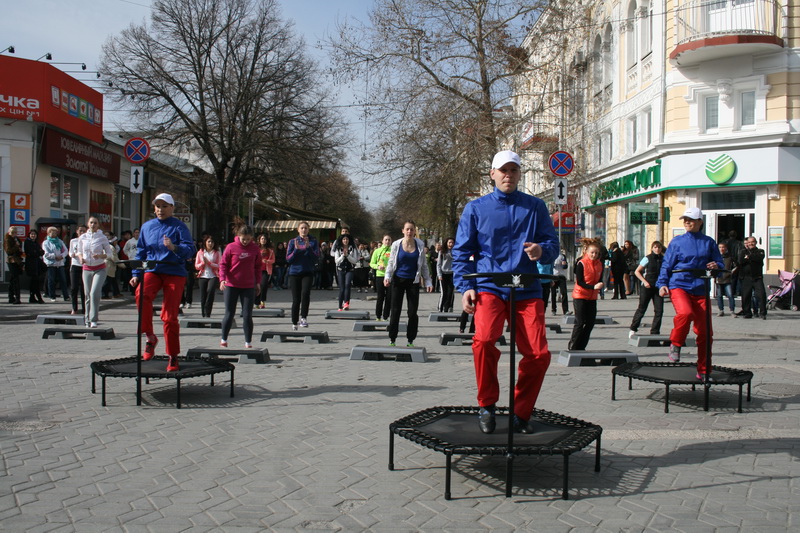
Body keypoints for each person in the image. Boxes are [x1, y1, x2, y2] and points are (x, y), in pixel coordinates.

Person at [452, 150, 559, 435]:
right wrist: (466, 288)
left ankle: (521, 411)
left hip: (526, 288)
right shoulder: (476, 208)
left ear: (519, 174)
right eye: (503, 170)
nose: (508, 175)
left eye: (513, 170)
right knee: (484, 340)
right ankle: (487, 405)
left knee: (539, 354)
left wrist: (542, 251)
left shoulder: (535, 207)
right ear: (492, 174)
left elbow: (552, 243)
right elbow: (462, 252)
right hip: (490, 287)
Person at [656, 207, 723, 381]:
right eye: (685, 219)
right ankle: (676, 343)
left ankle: (703, 370)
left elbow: (720, 263)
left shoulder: (709, 242)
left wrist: (717, 266)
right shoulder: (677, 242)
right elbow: (667, 264)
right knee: (685, 313)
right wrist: (662, 283)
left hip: (701, 288)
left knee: (705, 333)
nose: (687, 222)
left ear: (700, 222)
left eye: (691, 219)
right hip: (680, 285)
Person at [130, 193, 195, 372]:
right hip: (153, 269)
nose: (160, 209)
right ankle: (150, 337)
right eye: (157, 206)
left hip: (174, 271)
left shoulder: (179, 227)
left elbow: (190, 250)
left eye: (164, 206)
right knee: (141, 294)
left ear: (172, 208)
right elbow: (141, 251)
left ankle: (173, 356)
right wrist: (136, 273)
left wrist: (174, 247)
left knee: (169, 315)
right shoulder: (147, 226)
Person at [384, 220, 433, 347]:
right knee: (395, 310)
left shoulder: (420, 245)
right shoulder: (396, 244)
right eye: (407, 229)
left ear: (414, 232)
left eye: (412, 230)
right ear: (403, 231)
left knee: (412, 312)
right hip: (398, 280)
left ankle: (410, 339)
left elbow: (424, 265)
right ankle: (392, 338)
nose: (409, 232)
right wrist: (387, 276)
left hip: (413, 281)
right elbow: (391, 262)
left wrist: (428, 281)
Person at [219, 225, 261, 348]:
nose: (245, 241)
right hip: (231, 284)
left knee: (247, 314)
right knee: (229, 313)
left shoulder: (255, 248)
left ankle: (248, 342)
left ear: (251, 238)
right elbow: (223, 265)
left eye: (248, 239)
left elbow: (258, 267)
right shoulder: (231, 247)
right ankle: (224, 339)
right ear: (238, 236)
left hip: (248, 285)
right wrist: (222, 280)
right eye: (243, 239)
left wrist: (258, 282)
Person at [568, 239, 604, 350]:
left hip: (592, 297)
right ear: (587, 252)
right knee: (580, 322)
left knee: (590, 323)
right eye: (592, 252)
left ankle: (581, 347)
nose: (594, 255)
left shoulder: (599, 265)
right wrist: (593, 287)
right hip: (580, 295)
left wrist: (600, 284)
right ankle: (573, 346)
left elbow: (600, 279)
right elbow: (580, 282)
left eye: (596, 253)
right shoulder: (581, 263)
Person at [77, 217, 113, 328]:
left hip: (100, 268)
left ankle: (94, 320)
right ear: (88, 224)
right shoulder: (83, 237)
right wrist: (81, 258)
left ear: (98, 225)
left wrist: (100, 256)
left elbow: (109, 253)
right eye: (91, 222)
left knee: (94, 293)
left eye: (95, 223)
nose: (93, 224)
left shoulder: (102, 237)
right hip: (86, 268)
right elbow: (78, 251)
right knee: (87, 294)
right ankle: (87, 319)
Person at [286, 221, 319, 330]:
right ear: (298, 230)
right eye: (302, 228)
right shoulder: (292, 242)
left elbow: (315, 258)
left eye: (305, 228)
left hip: (307, 272)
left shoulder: (313, 242)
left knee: (305, 294)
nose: (304, 230)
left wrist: (308, 248)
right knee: (296, 299)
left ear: (308, 229)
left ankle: (303, 318)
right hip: (294, 273)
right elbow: (289, 259)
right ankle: (294, 321)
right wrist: (296, 250)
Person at [628, 241, 665, 338]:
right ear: (652, 248)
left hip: (658, 287)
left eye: (659, 247)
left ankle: (655, 331)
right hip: (647, 286)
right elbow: (637, 272)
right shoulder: (648, 258)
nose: (657, 249)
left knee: (659, 310)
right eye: (655, 247)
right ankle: (633, 328)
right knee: (642, 308)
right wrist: (645, 282)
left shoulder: (663, 259)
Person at [736, 236, 767, 320]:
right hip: (746, 278)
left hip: (757, 277)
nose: (750, 243)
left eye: (752, 242)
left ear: (756, 242)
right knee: (746, 296)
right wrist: (749, 258)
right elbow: (740, 261)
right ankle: (747, 313)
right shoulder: (743, 252)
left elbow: (759, 258)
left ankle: (763, 313)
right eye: (749, 242)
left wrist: (748, 257)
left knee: (761, 295)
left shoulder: (760, 251)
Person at [195, 235, 221, 318]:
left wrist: (209, 263)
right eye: (209, 241)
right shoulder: (200, 252)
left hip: (213, 276)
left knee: (210, 291)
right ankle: (203, 314)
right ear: (205, 243)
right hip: (203, 275)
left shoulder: (217, 253)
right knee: (203, 296)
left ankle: (208, 313)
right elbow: (196, 266)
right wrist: (203, 263)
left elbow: (219, 265)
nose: (210, 243)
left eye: (212, 242)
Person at [42, 226, 70, 302]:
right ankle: (52, 296)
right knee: (51, 280)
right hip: (51, 264)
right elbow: (46, 253)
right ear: (48, 233)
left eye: (55, 232)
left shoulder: (60, 241)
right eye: (52, 232)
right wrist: (55, 256)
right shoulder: (46, 243)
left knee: (63, 280)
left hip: (60, 263)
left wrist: (62, 256)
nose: (54, 234)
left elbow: (66, 250)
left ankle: (66, 296)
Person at [370, 234, 393, 321]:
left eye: (389, 240)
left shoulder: (393, 251)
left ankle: (386, 316)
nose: (387, 241)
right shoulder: (377, 251)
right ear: (382, 241)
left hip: (390, 276)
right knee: (380, 296)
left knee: (389, 297)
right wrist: (378, 266)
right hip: (380, 276)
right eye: (386, 240)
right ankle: (378, 316)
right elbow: (372, 263)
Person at [334, 234, 359, 310]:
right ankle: (340, 305)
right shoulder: (338, 249)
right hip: (341, 270)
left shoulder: (353, 249)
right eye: (344, 239)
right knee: (342, 288)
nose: (345, 241)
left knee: (347, 284)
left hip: (350, 269)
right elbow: (336, 261)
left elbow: (355, 261)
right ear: (341, 240)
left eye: (347, 239)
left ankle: (346, 303)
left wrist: (347, 255)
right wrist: (342, 256)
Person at [67, 226, 87, 314]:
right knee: (74, 288)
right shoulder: (73, 241)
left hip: (84, 266)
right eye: (80, 231)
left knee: (84, 288)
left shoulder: (87, 241)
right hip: (75, 265)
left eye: (84, 231)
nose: (82, 232)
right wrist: (73, 254)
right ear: (77, 231)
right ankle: (74, 308)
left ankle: (84, 309)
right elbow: (70, 252)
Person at [23, 229, 46, 304]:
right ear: (29, 235)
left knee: (34, 281)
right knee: (34, 281)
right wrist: (37, 252)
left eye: (35, 234)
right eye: (32, 234)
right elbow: (31, 252)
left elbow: (42, 252)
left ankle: (32, 297)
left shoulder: (36, 243)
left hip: (37, 264)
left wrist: (38, 252)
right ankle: (38, 297)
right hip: (31, 264)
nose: (33, 236)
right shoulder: (27, 242)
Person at [4, 227, 24, 304]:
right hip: (11, 260)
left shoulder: (17, 239)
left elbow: (19, 250)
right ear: (9, 233)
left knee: (13, 279)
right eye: (12, 233)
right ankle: (17, 298)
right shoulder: (7, 239)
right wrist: (16, 246)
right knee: (15, 279)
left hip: (17, 261)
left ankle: (11, 297)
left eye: (15, 233)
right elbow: (8, 251)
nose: (14, 234)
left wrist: (19, 249)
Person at [716, 242, 736, 317]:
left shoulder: (730, 257)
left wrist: (731, 272)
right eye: (720, 247)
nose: (722, 249)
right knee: (719, 295)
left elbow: (735, 266)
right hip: (719, 278)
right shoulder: (716, 257)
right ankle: (721, 310)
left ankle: (732, 310)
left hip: (727, 279)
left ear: (726, 248)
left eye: (723, 247)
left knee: (730, 295)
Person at [437, 237, 455, 313]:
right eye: (449, 242)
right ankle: (440, 308)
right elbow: (438, 264)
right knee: (443, 292)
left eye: (452, 243)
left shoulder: (456, 252)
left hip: (452, 274)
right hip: (443, 274)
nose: (450, 244)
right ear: (446, 243)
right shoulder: (442, 252)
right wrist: (439, 275)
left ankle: (446, 308)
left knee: (450, 293)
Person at [257, 234, 275, 308]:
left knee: (264, 285)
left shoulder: (270, 251)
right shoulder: (256, 249)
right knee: (256, 286)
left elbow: (273, 260)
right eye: (262, 239)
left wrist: (268, 261)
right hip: (257, 270)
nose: (263, 240)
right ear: (259, 240)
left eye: (264, 239)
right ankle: (256, 302)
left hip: (266, 270)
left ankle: (262, 301)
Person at [550, 249, 570, 316]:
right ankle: (553, 309)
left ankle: (566, 310)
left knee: (564, 293)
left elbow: (565, 266)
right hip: (554, 276)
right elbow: (550, 266)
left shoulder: (562, 256)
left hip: (561, 276)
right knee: (553, 294)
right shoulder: (551, 256)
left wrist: (564, 264)